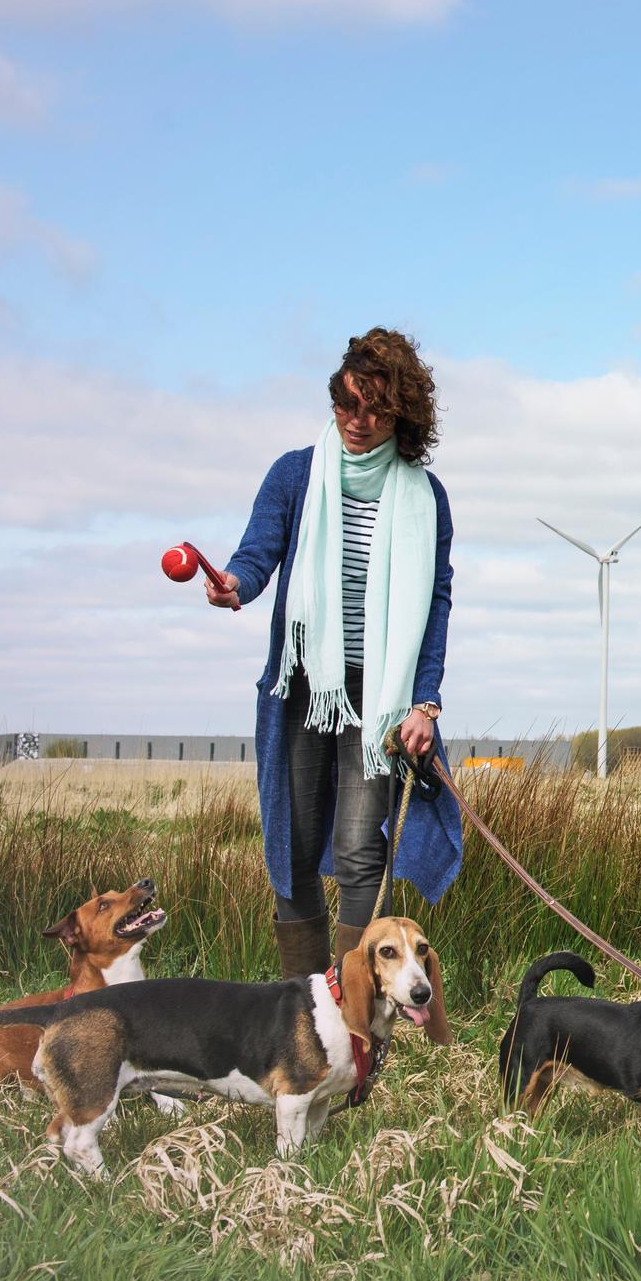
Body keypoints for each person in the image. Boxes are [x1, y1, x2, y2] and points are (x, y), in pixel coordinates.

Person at [210, 329, 465, 976]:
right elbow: (258, 551)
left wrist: (425, 703)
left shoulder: (424, 497)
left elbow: (434, 602)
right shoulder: (296, 473)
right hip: (303, 685)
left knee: (359, 849)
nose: (356, 421)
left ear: (402, 416)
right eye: (346, 403)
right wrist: (235, 582)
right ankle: (302, 1007)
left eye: (375, 410)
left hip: (377, 698)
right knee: (291, 844)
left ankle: (353, 1012)